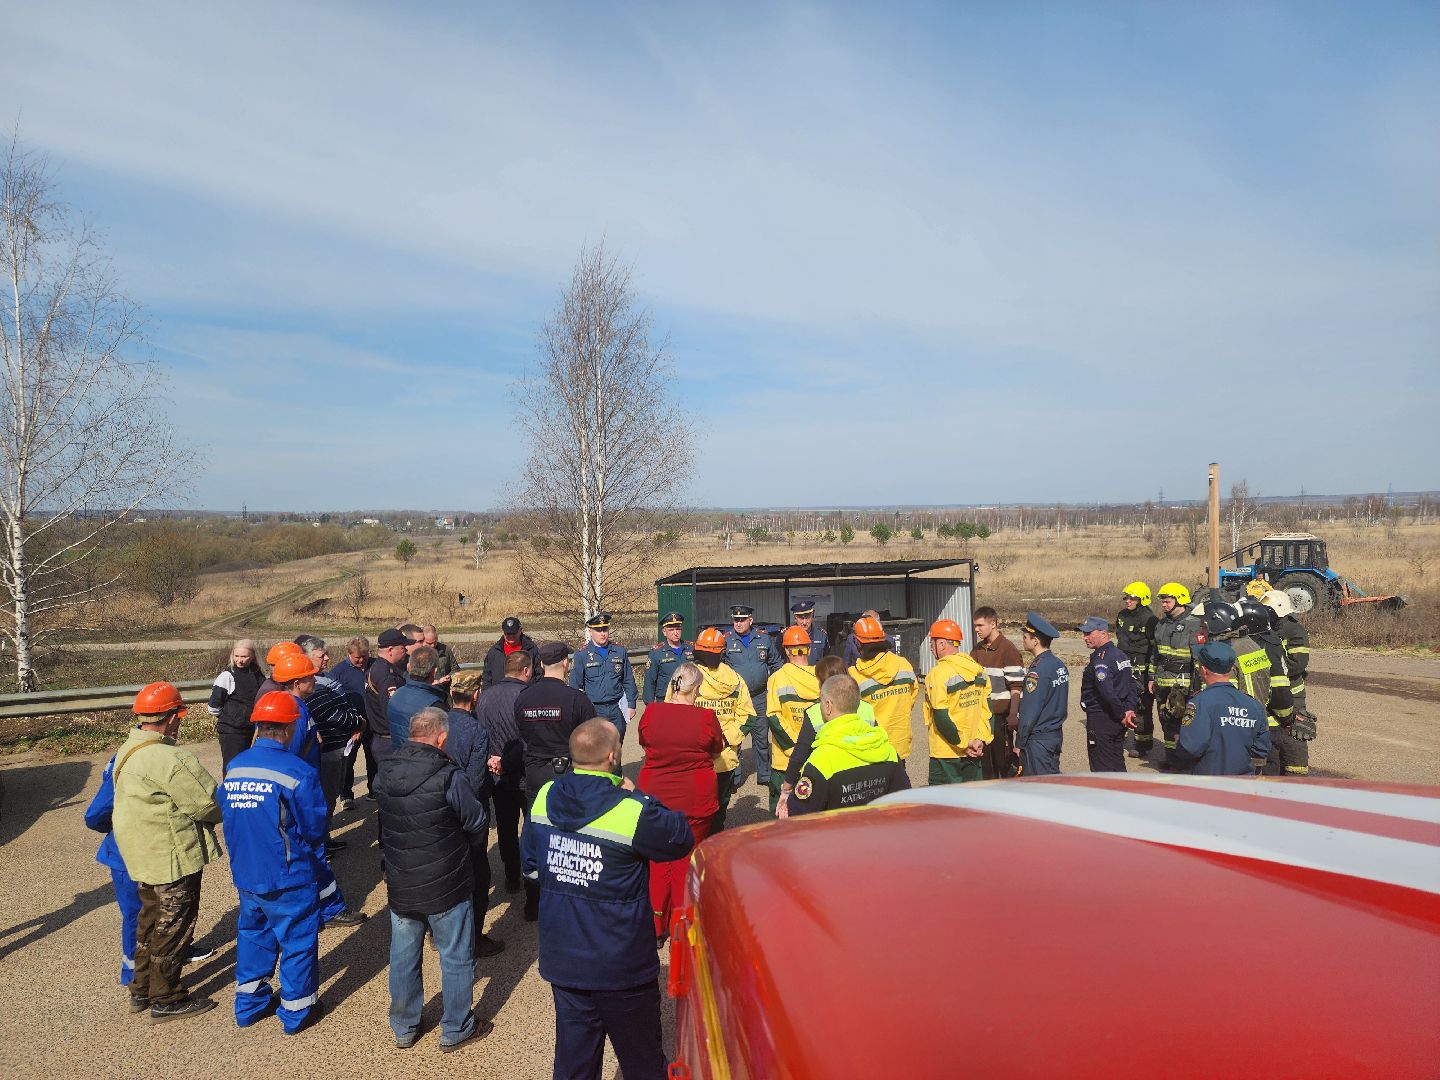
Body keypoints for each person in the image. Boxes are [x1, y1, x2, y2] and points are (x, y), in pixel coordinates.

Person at [522, 719, 694, 1080]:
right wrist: (640, 794)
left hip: (564, 958)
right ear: (614, 756)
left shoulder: (544, 797)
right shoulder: (631, 809)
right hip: (621, 962)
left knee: (574, 1062)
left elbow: (532, 868)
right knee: (643, 1060)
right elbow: (680, 837)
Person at [375, 707, 494, 1052]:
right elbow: (475, 822)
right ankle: (456, 1027)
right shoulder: (449, 775)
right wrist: (467, 854)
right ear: (441, 738)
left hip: (401, 880)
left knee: (403, 953)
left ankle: (404, 1024)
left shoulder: (385, 772)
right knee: (455, 955)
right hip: (446, 882)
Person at [111, 682, 222, 1022]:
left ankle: (141, 989)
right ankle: (167, 998)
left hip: (143, 857)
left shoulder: (127, 751)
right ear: (172, 717)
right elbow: (208, 805)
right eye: (179, 716)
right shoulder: (171, 758)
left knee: (148, 925)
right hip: (172, 859)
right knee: (173, 929)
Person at [218, 692, 327, 1034]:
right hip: (288, 875)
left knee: (254, 937)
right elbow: (314, 827)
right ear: (291, 727)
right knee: (297, 942)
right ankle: (296, 1012)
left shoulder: (236, 765)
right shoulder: (297, 770)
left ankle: (249, 1006)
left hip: (247, 872)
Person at [84, 748, 213, 998]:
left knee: (162, 913)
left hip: (150, 851)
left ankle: (172, 956)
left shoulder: (150, 757)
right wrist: (124, 828)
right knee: (140, 916)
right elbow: (95, 815)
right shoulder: (127, 764)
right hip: (127, 856)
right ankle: (134, 974)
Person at [265, 650, 367, 927]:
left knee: (313, 851)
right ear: (298, 682)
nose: (316, 678)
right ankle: (328, 911)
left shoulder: (298, 706)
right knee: (313, 853)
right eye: (310, 676)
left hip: (305, 791)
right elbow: (289, 761)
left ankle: (320, 908)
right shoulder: (293, 714)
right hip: (302, 797)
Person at [637, 662, 723, 941]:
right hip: (694, 799)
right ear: (696, 688)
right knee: (687, 859)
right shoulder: (706, 718)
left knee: (658, 861)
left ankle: (655, 923)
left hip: (656, 797)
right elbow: (716, 747)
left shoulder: (651, 713)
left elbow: (644, 741)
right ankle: (682, 925)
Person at [516, 641, 597, 919]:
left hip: (536, 773)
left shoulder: (524, 698)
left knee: (535, 830)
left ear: (540, 665)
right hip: (569, 773)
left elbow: (522, 735)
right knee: (572, 832)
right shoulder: (577, 699)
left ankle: (533, 899)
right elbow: (591, 740)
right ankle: (571, 895)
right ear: (566, 663)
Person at [445, 670, 505, 958]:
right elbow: (473, 781)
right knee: (479, 874)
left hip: (441, 808)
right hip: (468, 813)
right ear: (476, 696)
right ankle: (474, 938)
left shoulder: (439, 721)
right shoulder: (477, 730)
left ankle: (442, 931)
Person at [788, 674, 909, 815]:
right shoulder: (888, 751)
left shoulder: (821, 761)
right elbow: (905, 802)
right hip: (879, 834)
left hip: (837, 836)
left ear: (828, 706)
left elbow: (798, 814)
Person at [776, 656, 880, 817]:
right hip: (862, 780)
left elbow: (800, 755)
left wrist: (786, 789)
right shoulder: (866, 708)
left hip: (829, 781)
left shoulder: (816, 712)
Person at [1171, 642, 1271, 775]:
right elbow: (1261, 749)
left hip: (1209, 785)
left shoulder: (1199, 703)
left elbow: (1191, 748)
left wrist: (1179, 741)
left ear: (1204, 670)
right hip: (1244, 785)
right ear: (1230, 669)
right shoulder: (1253, 705)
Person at [476, 650, 531, 894]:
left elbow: (480, 733)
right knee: (529, 827)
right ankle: (532, 881)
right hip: (523, 773)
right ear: (526, 670)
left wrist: (492, 760)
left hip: (496, 774)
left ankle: (511, 877)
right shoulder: (527, 696)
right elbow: (528, 739)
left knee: (506, 829)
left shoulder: (485, 696)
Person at [299, 637, 364, 840]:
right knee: (324, 797)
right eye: (321, 655)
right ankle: (320, 843)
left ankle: (324, 838)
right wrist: (357, 722)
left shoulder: (323, 677)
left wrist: (355, 719)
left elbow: (344, 704)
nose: (327, 658)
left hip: (338, 747)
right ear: (306, 658)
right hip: (326, 751)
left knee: (331, 794)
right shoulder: (312, 684)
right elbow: (329, 714)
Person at [690, 628, 751, 832]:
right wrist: (726, 739)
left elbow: (673, 712)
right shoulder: (735, 678)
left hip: (695, 758)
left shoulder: (686, 675)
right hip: (725, 757)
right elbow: (747, 716)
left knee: (695, 810)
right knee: (719, 810)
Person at [922, 619, 992, 784]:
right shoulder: (979, 671)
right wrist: (980, 740)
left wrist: (963, 744)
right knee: (972, 802)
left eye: (932, 643)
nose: (931, 648)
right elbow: (988, 712)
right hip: (974, 751)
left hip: (946, 755)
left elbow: (941, 717)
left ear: (941, 644)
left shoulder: (938, 674)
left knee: (944, 806)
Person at [722, 605, 783, 791]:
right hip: (736, 699)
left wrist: (774, 687)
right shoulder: (726, 641)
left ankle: (764, 775)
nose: (738, 623)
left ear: (750, 620)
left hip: (759, 697)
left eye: (742, 620)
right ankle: (734, 776)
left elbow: (776, 663)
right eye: (735, 620)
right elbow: (719, 667)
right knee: (735, 737)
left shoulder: (763, 639)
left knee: (761, 737)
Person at [848, 615, 919, 763]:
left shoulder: (854, 675)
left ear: (858, 642)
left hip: (871, 748)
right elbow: (911, 698)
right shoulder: (903, 664)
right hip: (900, 744)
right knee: (900, 785)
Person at [765, 627, 821, 814]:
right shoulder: (822, 678)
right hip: (817, 758)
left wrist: (796, 750)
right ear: (809, 649)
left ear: (786, 651)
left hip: (785, 762)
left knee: (782, 814)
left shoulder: (777, 679)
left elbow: (774, 718)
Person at [1148, 583, 1202, 765]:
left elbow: (1199, 659)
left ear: (1180, 600)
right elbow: (1156, 653)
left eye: (1167, 601)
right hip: (1162, 682)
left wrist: (1197, 686)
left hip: (1183, 684)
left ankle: (1187, 760)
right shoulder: (1161, 624)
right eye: (1162, 602)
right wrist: (1151, 677)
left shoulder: (1195, 624)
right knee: (1166, 720)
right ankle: (1172, 759)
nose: (1163, 605)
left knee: (1184, 723)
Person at [1262, 589, 1314, 777]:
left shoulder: (1294, 630)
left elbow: (1297, 664)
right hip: (1274, 691)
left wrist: (1272, 665)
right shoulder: (1266, 629)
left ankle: (1295, 778)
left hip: (1293, 694)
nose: (1265, 614)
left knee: (1294, 737)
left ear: (1279, 610)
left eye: (1268, 611)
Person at [1078, 617, 1139, 772]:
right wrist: (1128, 710)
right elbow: (1132, 684)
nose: (1084, 638)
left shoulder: (1102, 659)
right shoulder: (1120, 654)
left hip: (1103, 718)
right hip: (1117, 718)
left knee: (1102, 767)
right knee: (1116, 761)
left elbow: (1107, 693)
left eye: (1088, 633)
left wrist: (1121, 715)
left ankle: (1107, 796)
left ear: (1103, 633)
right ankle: (1123, 794)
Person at [970, 607, 1025, 779]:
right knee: (986, 766)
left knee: (1004, 765)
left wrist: (1013, 715)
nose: (976, 629)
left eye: (980, 625)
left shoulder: (1008, 650)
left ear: (993, 624)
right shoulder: (977, 650)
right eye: (975, 626)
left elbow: (1016, 686)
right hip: (983, 719)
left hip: (1001, 719)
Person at [1015, 612, 1068, 775]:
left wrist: (1020, 743)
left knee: (1039, 788)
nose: (1023, 640)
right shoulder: (1058, 665)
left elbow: (1029, 711)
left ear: (1035, 640)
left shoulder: (1037, 671)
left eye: (1025, 637)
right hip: (1054, 736)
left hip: (1038, 741)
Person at [570, 612, 638, 739]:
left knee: (616, 747)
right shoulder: (582, 655)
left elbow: (628, 679)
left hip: (617, 707)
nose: (602, 633)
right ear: (590, 631)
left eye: (605, 629)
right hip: (594, 709)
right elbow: (575, 686)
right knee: (597, 748)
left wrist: (631, 705)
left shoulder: (619, 651)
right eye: (598, 630)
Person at [208, 639, 267, 776]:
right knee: (233, 768)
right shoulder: (227, 676)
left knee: (250, 768)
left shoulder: (257, 673)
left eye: (244, 656)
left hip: (252, 729)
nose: (239, 660)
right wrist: (233, 717)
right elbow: (213, 707)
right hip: (232, 731)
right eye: (236, 656)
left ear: (252, 656)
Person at [363, 629, 411, 792]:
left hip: (382, 739)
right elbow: (393, 712)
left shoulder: (375, 668)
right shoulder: (386, 676)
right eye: (402, 647)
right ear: (390, 650)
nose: (405, 650)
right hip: (390, 741)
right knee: (394, 790)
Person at [1115, 583, 1159, 760]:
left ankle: (1142, 744)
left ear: (1142, 599)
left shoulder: (1150, 619)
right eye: (1126, 598)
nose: (1128, 601)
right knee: (1119, 700)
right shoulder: (1122, 616)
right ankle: (1119, 735)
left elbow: (1154, 648)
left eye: (1132, 598)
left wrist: (1150, 674)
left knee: (1142, 706)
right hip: (1123, 664)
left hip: (1142, 667)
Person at [327, 636, 371, 807]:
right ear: (349, 654)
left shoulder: (374, 666)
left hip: (372, 722)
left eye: (364, 657)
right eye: (357, 657)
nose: (361, 661)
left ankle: (374, 792)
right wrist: (351, 724)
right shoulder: (338, 672)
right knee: (348, 760)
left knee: (373, 758)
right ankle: (346, 794)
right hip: (351, 725)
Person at [388, 645, 448, 744]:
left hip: (398, 754)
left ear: (409, 667)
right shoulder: (434, 705)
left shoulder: (395, 695)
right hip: (424, 757)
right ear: (434, 671)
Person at [642, 612, 692, 706]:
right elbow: (650, 681)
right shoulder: (656, 653)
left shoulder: (691, 648)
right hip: (666, 701)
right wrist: (650, 706)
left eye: (678, 629)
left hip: (688, 699)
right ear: (664, 632)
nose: (675, 633)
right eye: (671, 630)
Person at [482, 616, 539, 690]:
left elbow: (539, 675)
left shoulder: (531, 649)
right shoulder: (495, 651)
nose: (511, 636)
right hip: (499, 695)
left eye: (514, 633)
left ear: (520, 631)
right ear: (503, 632)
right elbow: (487, 677)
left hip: (525, 695)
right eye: (508, 634)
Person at [422, 624, 457, 689]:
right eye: (429, 643)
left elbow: (455, 669)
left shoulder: (445, 649)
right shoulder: (417, 654)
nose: (432, 646)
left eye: (434, 642)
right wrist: (432, 682)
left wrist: (449, 676)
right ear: (422, 641)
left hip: (444, 691)